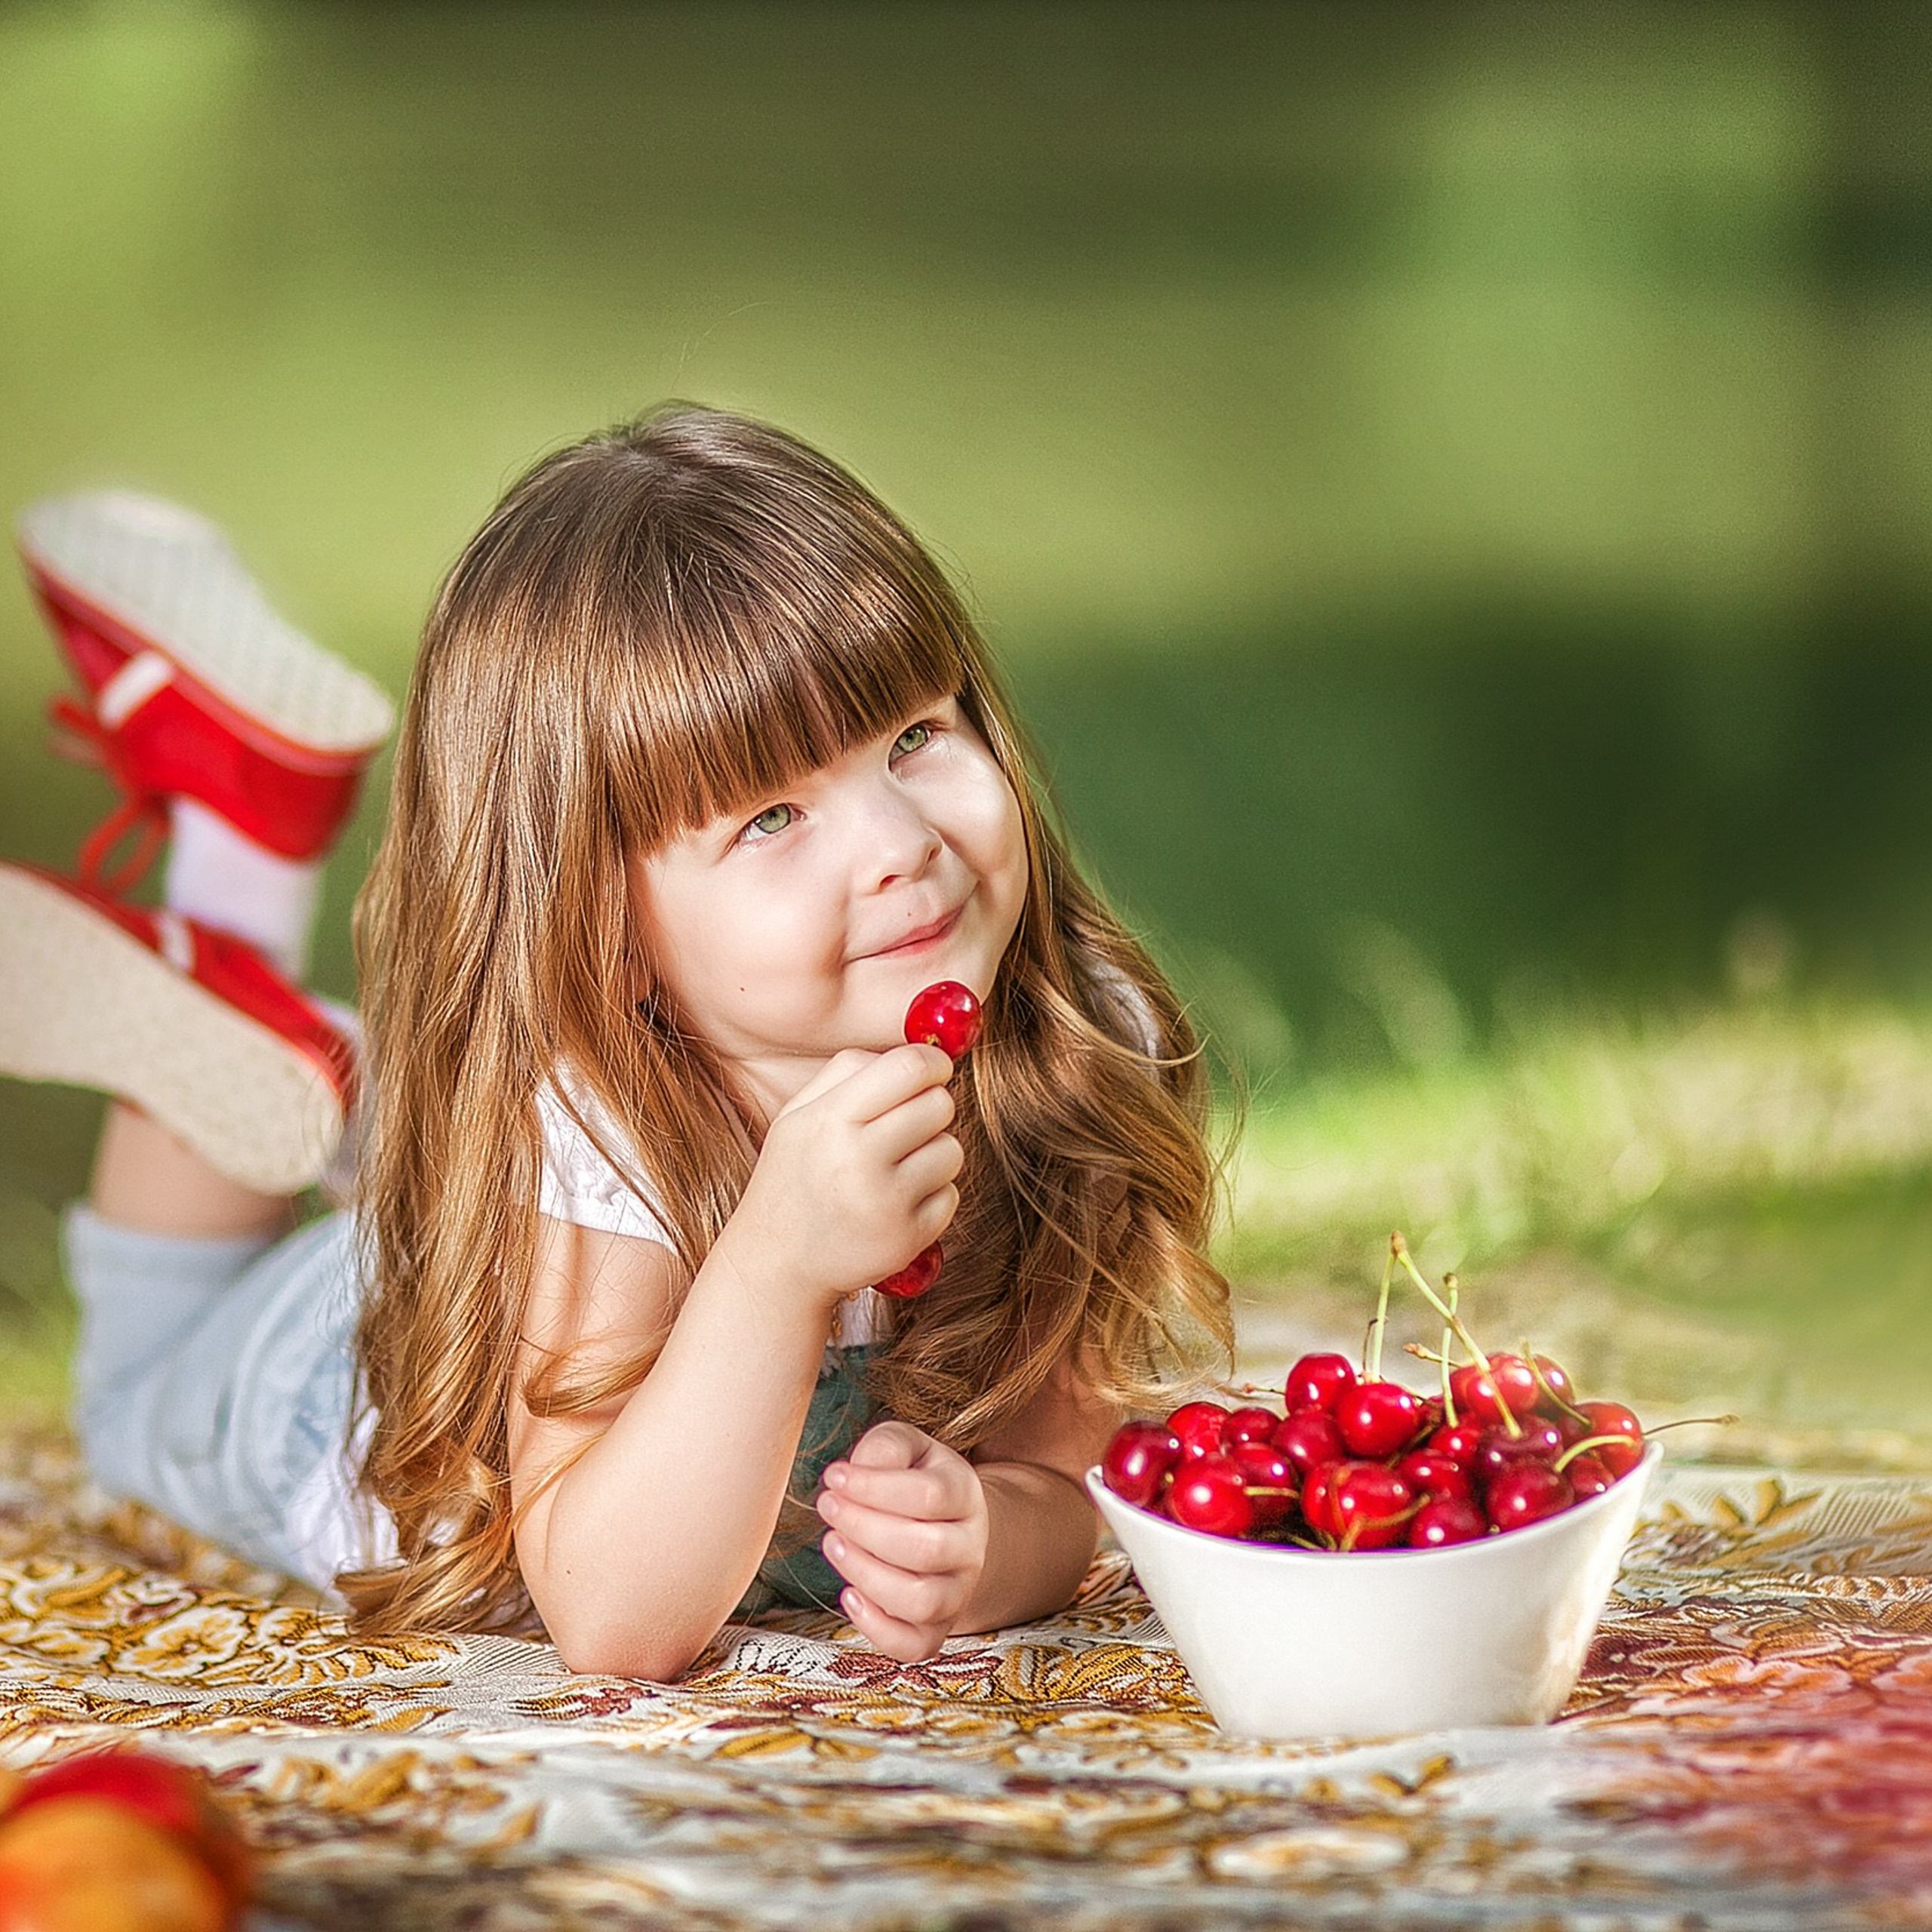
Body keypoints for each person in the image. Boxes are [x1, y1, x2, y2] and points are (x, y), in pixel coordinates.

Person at [0, 407, 1231, 1677]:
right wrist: (775, 1264)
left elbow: (1062, 1476)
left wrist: (985, 1540)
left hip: (488, 1229)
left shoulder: (1071, 1042)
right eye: (771, 817)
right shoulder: (605, 1130)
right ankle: (234, 900)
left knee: (420, 1164)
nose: (902, 845)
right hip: (328, 1378)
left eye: (916, 737)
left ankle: (321, 1015)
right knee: (134, 1390)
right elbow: (614, 1617)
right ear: (609, 927)